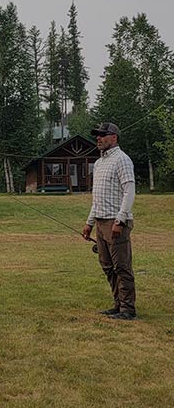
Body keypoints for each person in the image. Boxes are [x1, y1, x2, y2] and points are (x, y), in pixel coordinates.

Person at [82, 122, 137, 320]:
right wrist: (89, 222)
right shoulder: (99, 163)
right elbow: (97, 197)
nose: (98, 138)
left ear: (114, 137)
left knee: (122, 267)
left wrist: (120, 220)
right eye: (97, 135)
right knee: (107, 266)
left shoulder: (122, 160)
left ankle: (128, 309)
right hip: (100, 221)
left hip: (116, 222)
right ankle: (118, 304)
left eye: (102, 135)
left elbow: (129, 191)